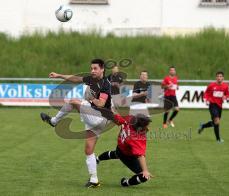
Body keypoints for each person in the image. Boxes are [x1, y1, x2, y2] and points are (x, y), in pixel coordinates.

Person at [40, 58, 112, 188]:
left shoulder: (105, 84)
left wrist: (91, 98)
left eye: (95, 68)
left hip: (99, 117)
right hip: (93, 116)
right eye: (91, 68)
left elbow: (101, 103)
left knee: (73, 101)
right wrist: (59, 75)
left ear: (102, 69)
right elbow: (75, 79)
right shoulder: (90, 79)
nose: (92, 71)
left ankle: (54, 121)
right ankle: (94, 180)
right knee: (89, 150)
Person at [96, 113, 153, 187]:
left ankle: (97, 159)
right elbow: (140, 155)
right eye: (146, 125)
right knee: (144, 177)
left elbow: (115, 117)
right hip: (127, 155)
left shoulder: (129, 118)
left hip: (120, 147)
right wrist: (145, 171)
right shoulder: (136, 137)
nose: (147, 126)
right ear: (139, 127)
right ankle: (125, 183)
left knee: (116, 154)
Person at [198, 71, 229, 143]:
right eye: (218, 76)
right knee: (217, 121)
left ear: (223, 78)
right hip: (212, 105)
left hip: (219, 106)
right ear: (216, 77)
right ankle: (218, 139)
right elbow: (206, 93)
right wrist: (206, 99)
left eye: (220, 76)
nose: (219, 78)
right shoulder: (211, 85)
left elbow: (228, 95)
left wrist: (226, 97)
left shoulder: (226, 86)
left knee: (215, 122)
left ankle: (203, 126)